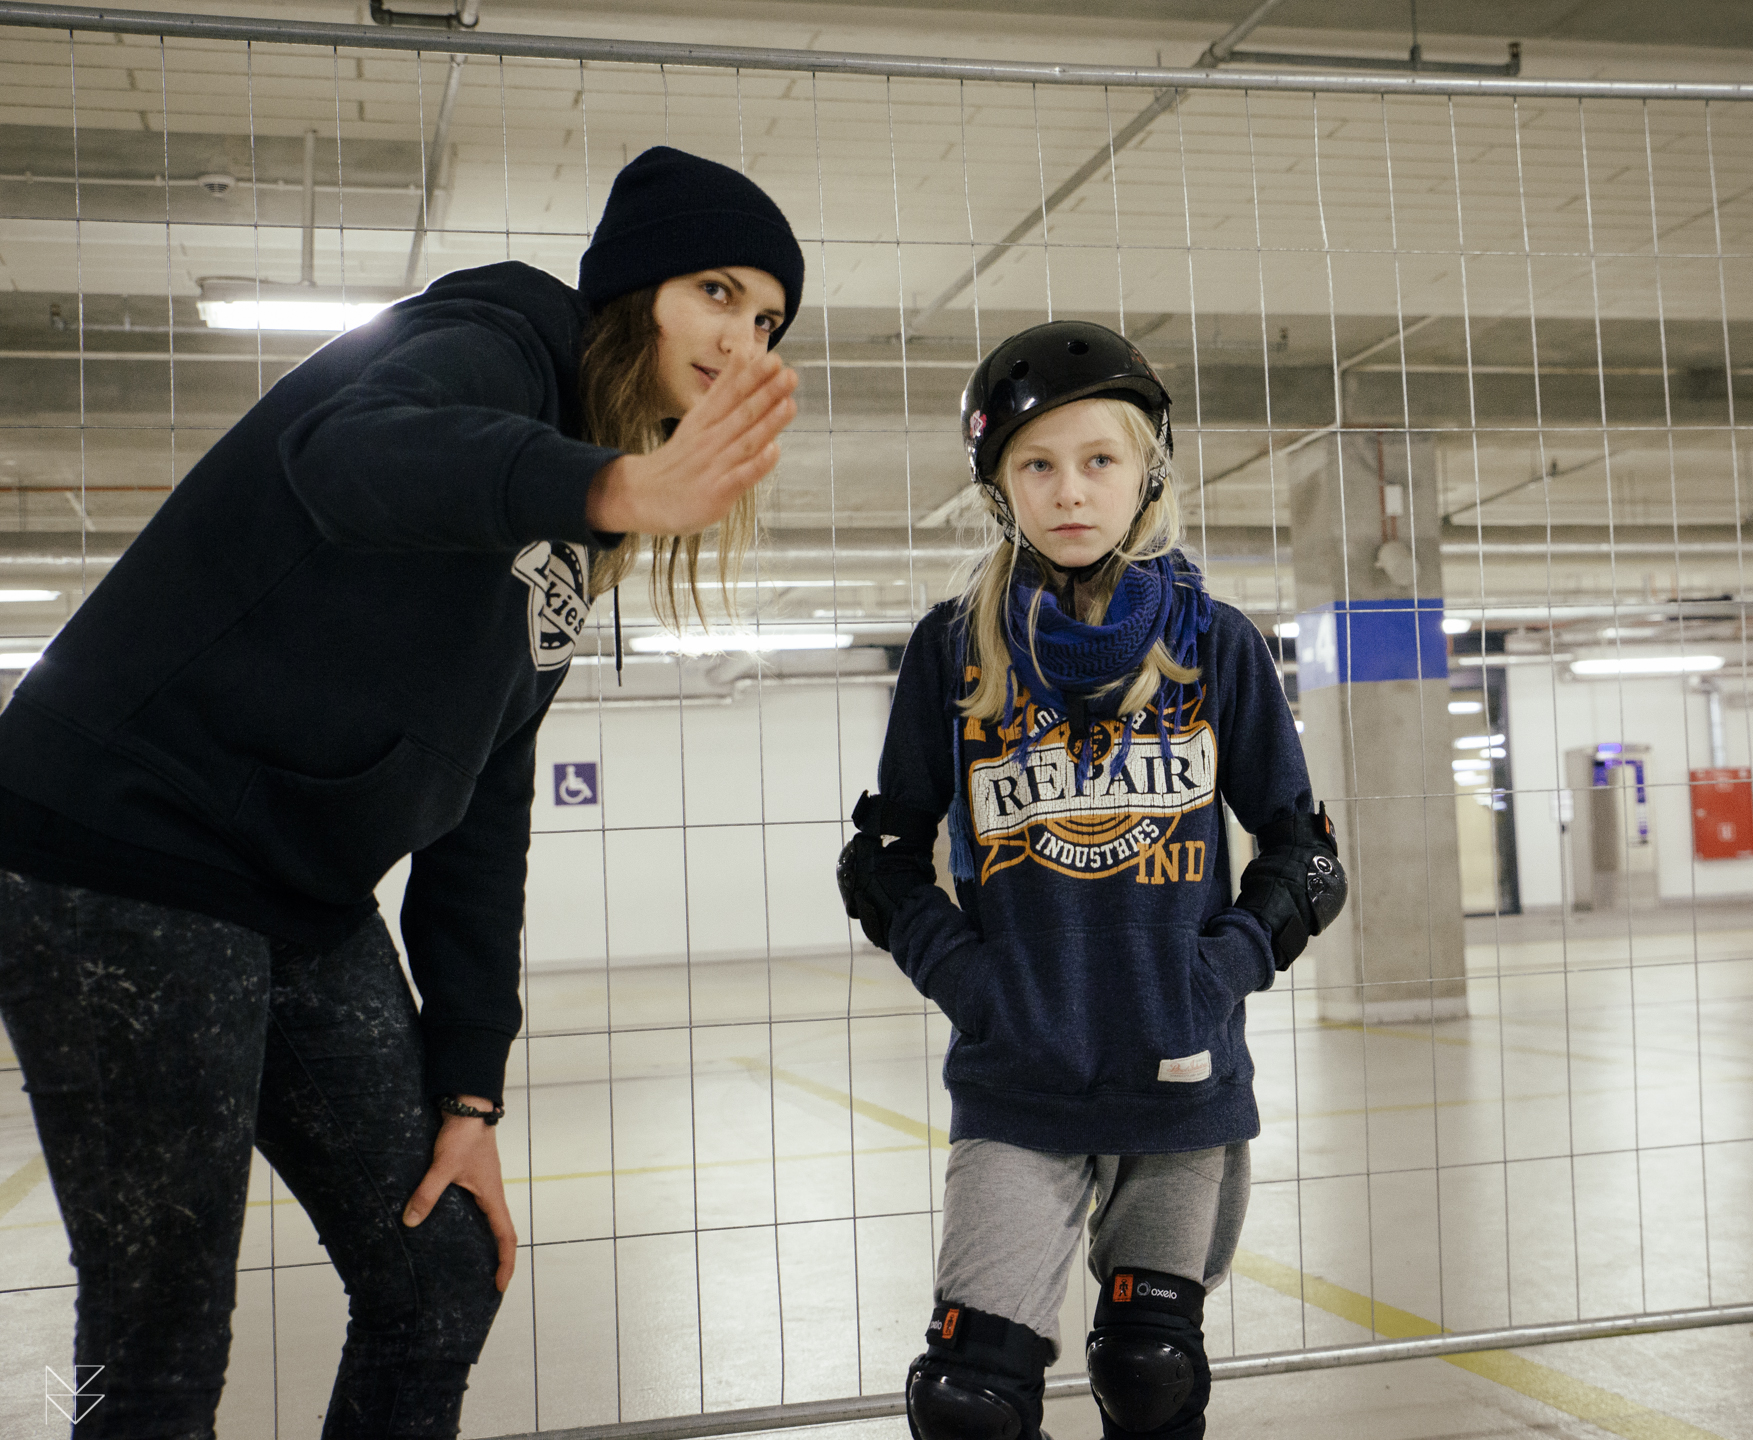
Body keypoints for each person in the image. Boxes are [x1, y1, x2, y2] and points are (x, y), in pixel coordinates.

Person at [0, 144, 801, 1438]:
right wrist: (607, 484)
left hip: (298, 895)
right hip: (117, 849)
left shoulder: (577, 531)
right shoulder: (493, 340)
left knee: (441, 1273)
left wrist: (468, 1091)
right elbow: (348, 452)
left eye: (768, 320)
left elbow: (488, 803)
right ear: (636, 290)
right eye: (717, 291)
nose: (742, 336)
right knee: (157, 1338)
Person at [836, 320, 1347, 1440]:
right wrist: (974, 985)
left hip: (1178, 1073)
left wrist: (1213, 972)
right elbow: (880, 864)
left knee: (1149, 1373)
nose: (1070, 491)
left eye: (1098, 460)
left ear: (1147, 471)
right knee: (970, 1397)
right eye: (1037, 464)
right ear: (998, 485)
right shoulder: (950, 650)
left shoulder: (1215, 645)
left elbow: (1304, 857)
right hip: (1019, 1072)